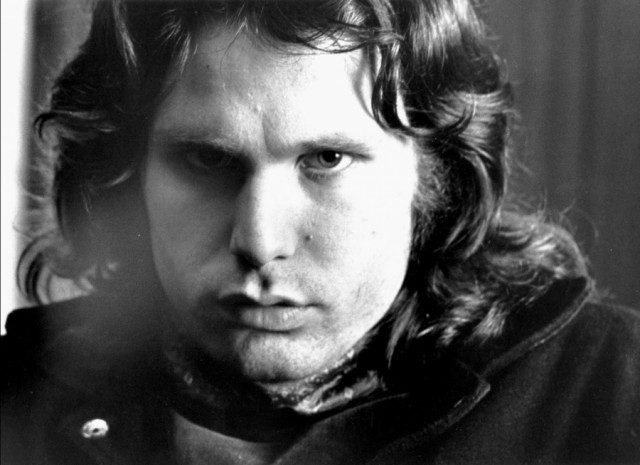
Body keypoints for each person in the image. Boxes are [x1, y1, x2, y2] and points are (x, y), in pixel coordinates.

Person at [2, 1, 639, 464]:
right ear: (126, 175)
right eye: (206, 160)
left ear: (436, 175)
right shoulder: (16, 402)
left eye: (327, 159)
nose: (259, 241)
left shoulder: (610, 399)